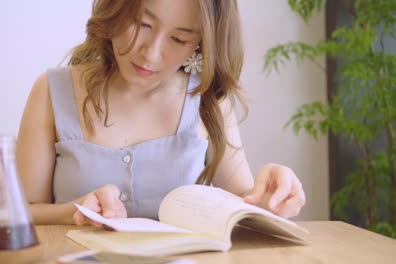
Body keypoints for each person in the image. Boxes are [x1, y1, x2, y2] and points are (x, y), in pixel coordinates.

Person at [16, 0, 306, 227]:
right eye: (142, 24)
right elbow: (21, 213)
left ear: (199, 44)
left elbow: (245, 205)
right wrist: (74, 212)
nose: (151, 53)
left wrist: (270, 199)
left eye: (178, 39)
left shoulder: (208, 101)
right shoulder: (51, 91)